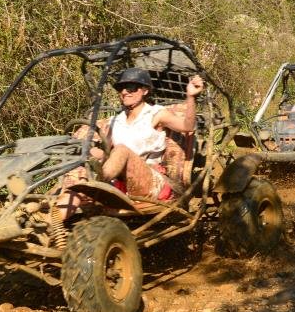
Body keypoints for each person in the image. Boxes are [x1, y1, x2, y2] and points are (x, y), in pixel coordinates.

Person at [59, 67, 205, 217]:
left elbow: (188, 126)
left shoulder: (156, 114)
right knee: (85, 157)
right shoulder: (115, 121)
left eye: (131, 88)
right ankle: (52, 223)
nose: (124, 92)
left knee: (121, 150)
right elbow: (105, 153)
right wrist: (85, 154)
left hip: (150, 180)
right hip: (117, 181)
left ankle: (96, 184)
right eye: (121, 88)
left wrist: (191, 97)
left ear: (145, 91)